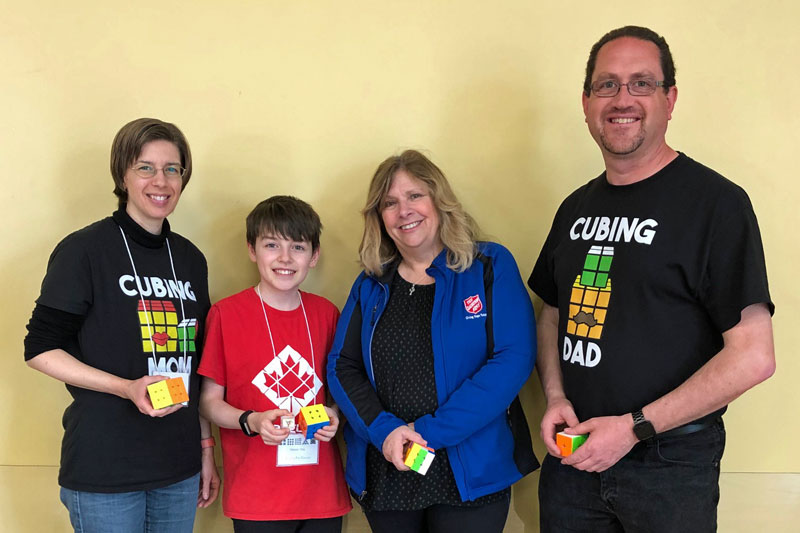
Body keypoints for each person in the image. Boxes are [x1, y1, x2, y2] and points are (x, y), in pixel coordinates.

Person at [529, 26, 775, 532]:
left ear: (670, 99)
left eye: (641, 83)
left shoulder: (716, 205)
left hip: (670, 466)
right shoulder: (575, 208)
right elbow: (552, 314)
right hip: (572, 459)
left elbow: (754, 356)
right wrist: (555, 396)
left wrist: (634, 428)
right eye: (607, 85)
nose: (623, 99)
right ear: (586, 101)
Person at [24, 117, 220, 532]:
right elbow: (39, 348)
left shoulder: (190, 260)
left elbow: (195, 364)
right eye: (145, 167)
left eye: (173, 169)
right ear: (123, 175)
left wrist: (205, 450)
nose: (161, 181)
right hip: (106, 469)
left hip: (178, 467)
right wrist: (125, 387)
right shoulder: (85, 250)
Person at [327, 149, 538, 533]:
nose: (403, 210)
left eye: (414, 196)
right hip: (390, 462)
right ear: (380, 218)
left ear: (440, 200)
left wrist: (427, 434)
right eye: (389, 203)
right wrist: (385, 430)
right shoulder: (371, 283)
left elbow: (514, 358)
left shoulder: (489, 265)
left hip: (470, 468)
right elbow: (342, 366)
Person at [198, 196, 351, 533]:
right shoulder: (226, 315)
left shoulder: (328, 314)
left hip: (321, 493)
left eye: (297, 247)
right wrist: (251, 420)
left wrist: (335, 414)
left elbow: (344, 388)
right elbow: (208, 403)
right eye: (271, 245)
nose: (284, 258)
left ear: (314, 256)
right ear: (252, 250)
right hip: (256, 497)